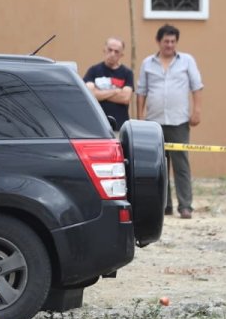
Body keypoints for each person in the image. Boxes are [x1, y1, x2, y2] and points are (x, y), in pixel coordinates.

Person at [135, 24, 204, 219]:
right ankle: (164, 205)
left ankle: (185, 205)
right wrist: (140, 118)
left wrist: (197, 110)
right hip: (154, 123)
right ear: (159, 42)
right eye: (166, 41)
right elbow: (141, 92)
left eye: (173, 41)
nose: (169, 45)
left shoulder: (187, 61)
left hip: (179, 121)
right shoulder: (148, 63)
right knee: (159, 166)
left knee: (181, 164)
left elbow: (196, 87)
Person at [83, 37, 133, 131]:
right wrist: (116, 91)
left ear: (122, 54)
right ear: (104, 50)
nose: (112, 54)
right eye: (110, 50)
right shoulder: (93, 71)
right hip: (97, 126)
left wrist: (99, 93)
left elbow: (125, 98)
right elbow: (89, 95)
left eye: (116, 51)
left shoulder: (127, 73)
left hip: (120, 127)